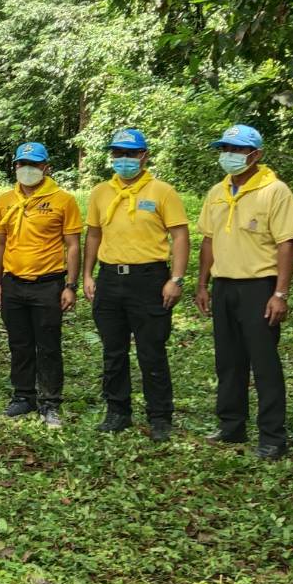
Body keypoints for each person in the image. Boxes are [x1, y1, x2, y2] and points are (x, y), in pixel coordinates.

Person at [194, 124, 293, 459]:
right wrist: (203, 283)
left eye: (237, 150)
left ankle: (272, 437)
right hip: (224, 284)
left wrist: (280, 293)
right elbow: (209, 240)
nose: (230, 155)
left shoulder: (275, 191)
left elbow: (286, 245)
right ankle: (231, 425)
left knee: (264, 362)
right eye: (225, 148)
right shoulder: (217, 191)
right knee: (228, 360)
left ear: (255, 154)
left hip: (259, 286)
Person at [83, 128, 190, 441]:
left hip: (149, 280)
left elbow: (180, 236)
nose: (124, 159)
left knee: (151, 350)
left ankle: (159, 417)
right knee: (113, 350)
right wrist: (87, 275)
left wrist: (176, 279)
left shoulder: (162, 192)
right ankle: (117, 411)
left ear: (144, 156)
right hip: (109, 278)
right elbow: (93, 235)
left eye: (130, 154)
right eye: (118, 153)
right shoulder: (101, 192)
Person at [0, 142, 81, 427]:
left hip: (48, 283)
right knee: (19, 343)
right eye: (21, 164)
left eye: (33, 164)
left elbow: (73, 245)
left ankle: (50, 402)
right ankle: (23, 396)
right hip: (13, 283)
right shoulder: (5, 200)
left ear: (46, 167)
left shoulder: (62, 200)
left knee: (49, 345)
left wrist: (71, 285)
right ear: (15, 166)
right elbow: (0, 242)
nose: (27, 170)